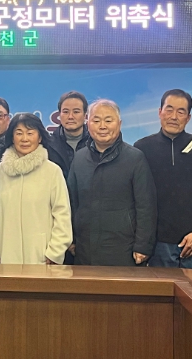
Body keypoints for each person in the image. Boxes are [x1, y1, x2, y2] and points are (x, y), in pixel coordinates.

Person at [134, 89, 192, 270]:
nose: (174, 116)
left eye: (181, 112)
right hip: (158, 244)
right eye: (169, 109)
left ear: (188, 118)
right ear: (160, 112)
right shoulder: (142, 148)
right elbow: (138, 199)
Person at [68, 100, 157, 266]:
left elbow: (146, 205)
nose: (102, 126)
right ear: (88, 124)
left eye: (108, 120)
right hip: (84, 248)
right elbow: (71, 202)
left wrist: (143, 245)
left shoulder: (135, 158)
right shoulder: (79, 158)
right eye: (96, 120)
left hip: (123, 248)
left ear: (119, 124)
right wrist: (70, 239)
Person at [0, 113, 71, 264]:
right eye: (19, 133)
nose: (24, 139)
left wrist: (54, 253)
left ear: (40, 137)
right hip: (7, 254)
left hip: (41, 257)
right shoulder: (0, 171)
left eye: (30, 133)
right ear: (12, 137)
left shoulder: (52, 171)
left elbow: (62, 214)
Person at [49, 91, 91, 179]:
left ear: (85, 115)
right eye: (65, 112)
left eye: (76, 112)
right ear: (59, 115)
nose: (70, 116)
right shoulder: (48, 145)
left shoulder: (95, 143)